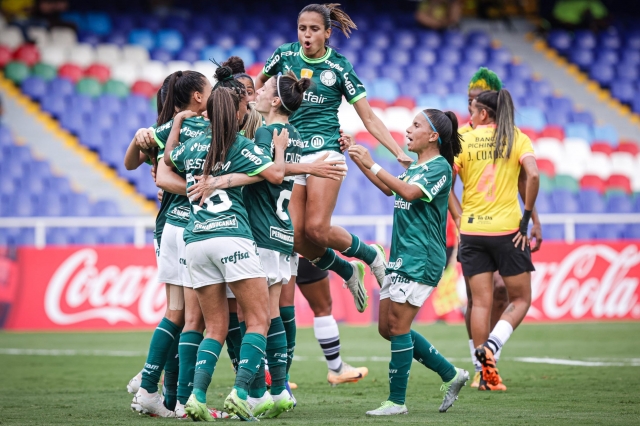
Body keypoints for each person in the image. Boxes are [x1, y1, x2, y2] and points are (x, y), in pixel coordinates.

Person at [256, 3, 412, 315]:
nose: (307, 35)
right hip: (291, 152)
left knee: (316, 229)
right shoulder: (284, 55)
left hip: (325, 151)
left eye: (314, 29)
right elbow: (258, 85)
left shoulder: (339, 67)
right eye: (302, 28)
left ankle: (370, 255)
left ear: (327, 33)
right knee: (296, 238)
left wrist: (398, 152)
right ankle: (347, 269)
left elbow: (368, 117)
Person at [165, 87, 287, 422]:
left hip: (195, 241)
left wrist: (176, 125)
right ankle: (240, 393)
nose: (248, 110)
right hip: (231, 236)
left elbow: (166, 161)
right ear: (235, 113)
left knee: (214, 327)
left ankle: (197, 397)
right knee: (259, 320)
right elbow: (276, 175)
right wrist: (278, 151)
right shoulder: (240, 144)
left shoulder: (191, 146)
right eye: (245, 106)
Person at [345, 109, 468, 416]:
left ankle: (396, 402)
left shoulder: (440, 168)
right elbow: (390, 188)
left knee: (398, 326)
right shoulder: (416, 166)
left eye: (416, 125)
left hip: (422, 258)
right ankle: (451, 374)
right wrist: (359, 159)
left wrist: (372, 162)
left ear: (433, 136)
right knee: (388, 328)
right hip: (402, 255)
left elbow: (410, 193)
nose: (408, 129)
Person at [457, 67, 543, 389]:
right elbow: (532, 176)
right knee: (520, 299)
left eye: (473, 107)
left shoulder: (463, 137)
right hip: (509, 231)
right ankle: (491, 350)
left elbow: (446, 182)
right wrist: (529, 218)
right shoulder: (517, 137)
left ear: (482, 112)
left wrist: (459, 216)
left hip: (472, 231)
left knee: (479, 302)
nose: (470, 113)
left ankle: (483, 374)